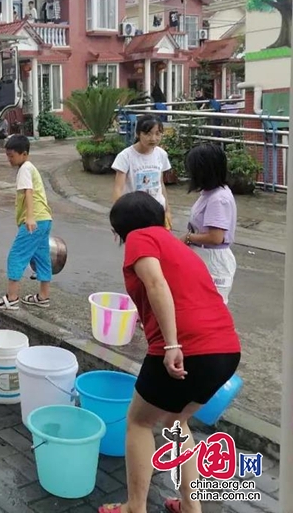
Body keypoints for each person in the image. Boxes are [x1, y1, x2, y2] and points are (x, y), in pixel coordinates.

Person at [101, 192, 241, 513]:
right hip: (226, 349)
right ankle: (191, 507)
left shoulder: (140, 237)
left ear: (122, 229)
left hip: (189, 347)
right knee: (176, 423)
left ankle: (134, 507)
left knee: (138, 421)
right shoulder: (177, 246)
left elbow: (156, 284)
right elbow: (181, 292)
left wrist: (172, 344)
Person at [0, 134, 52, 310]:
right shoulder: (30, 167)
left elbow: (28, 192)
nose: (9, 160)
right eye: (8, 156)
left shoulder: (25, 168)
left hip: (34, 221)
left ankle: (12, 298)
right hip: (45, 219)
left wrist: (30, 217)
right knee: (42, 258)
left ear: (24, 154)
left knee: (16, 256)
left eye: (12, 156)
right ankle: (43, 296)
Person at [182, 144, 237, 304]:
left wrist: (188, 238)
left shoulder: (218, 199)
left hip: (214, 261)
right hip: (203, 256)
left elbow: (215, 237)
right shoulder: (210, 193)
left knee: (211, 307)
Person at [112, 114, 173, 229]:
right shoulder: (125, 156)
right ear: (138, 134)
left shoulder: (161, 154)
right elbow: (118, 189)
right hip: (135, 214)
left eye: (157, 133)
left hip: (157, 212)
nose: (153, 138)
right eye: (148, 134)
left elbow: (161, 185)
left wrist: (167, 210)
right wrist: (119, 216)